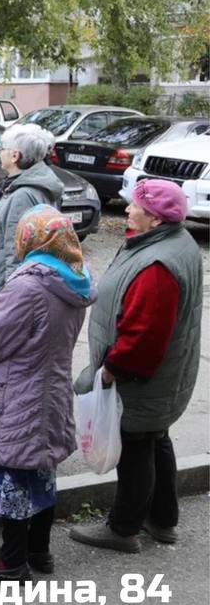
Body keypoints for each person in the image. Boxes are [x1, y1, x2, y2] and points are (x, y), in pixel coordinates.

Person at [0, 207, 95, 580]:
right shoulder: (74, 279)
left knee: (12, 475)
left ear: (33, 238)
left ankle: (11, 560)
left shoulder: (29, 285)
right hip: (50, 389)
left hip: (17, 391)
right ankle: (40, 552)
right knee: (40, 473)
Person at [69, 179, 203, 554]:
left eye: (136, 207)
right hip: (164, 376)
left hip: (141, 378)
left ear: (156, 220)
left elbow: (143, 335)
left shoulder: (157, 265)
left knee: (136, 447)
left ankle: (123, 528)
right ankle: (162, 521)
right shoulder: (173, 243)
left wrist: (111, 370)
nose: (127, 210)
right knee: (155, 438)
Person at [0, 124, 61, 318]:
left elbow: (17, 252)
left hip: (0, 292)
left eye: (2, 148)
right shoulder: (25, 187)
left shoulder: (23, 195)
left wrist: (11, 304)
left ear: (15, 156)